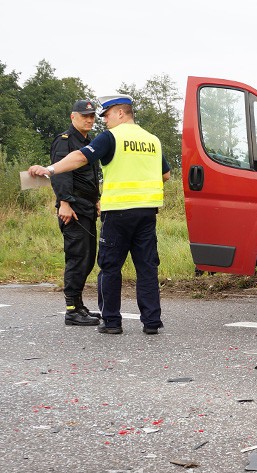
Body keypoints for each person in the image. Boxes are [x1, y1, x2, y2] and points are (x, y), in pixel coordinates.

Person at [29, 94, 171, 335]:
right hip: (147, 213)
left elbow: (80, 157)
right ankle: (151, 322)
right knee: (147, 267)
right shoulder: (152, 140)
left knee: (110, 267)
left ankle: (113, 323)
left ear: (120, 113)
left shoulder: (112, 137)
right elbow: (165, 175)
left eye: (106, 116)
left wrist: (50, 169)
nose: (104, 121)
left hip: (118, 213)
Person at [50, 99, 102, 326]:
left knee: (88, 258)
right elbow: (60, 174)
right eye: (85, 116)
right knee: (77, 258)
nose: (89, 119)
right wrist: (64, 203)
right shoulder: (65, 141)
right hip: (73, 208)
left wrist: (98, 200)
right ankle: (71, 310)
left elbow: (92, 175)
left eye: (92, 116)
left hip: (88, 207)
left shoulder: (87, 142)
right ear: (73, 117)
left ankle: (79, 305)